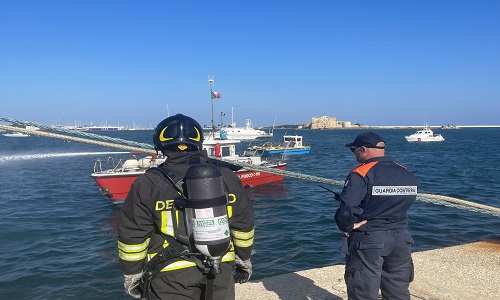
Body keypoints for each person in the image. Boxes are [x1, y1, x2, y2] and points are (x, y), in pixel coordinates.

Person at [117, 114, 254, 300]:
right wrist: (243, 260)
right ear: (198, 142)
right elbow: (243, 225)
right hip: (220, 269)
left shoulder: (148, 183)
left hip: (169, 278)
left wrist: (132, 275)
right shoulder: (227, 177)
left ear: (160, 144)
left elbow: (132, 237)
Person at [334, 132, 417, 300]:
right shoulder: (405, 172)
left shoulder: (360, 173)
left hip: (369, 241)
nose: (354, 153)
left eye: (354, 150)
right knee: (398, 292)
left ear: (363, 149)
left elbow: (347, 209)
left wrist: (348, 226)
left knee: (362, 292)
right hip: (402, 239)